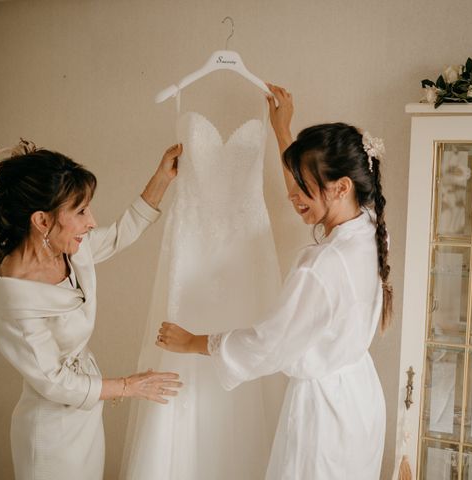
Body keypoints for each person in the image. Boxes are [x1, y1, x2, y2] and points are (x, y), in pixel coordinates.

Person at [156, 84, 392, 479]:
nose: (292, 197)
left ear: (341, 187)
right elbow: (309, 195)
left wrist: (192, 341)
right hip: (359, 400)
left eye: (303, 188)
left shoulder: (321, 267)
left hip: (325, 417)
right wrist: (284, 131)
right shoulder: (370, 227)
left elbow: (266, 344)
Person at [0, 139, 184, 480]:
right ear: (42, 221)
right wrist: (130, 386)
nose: (91, 222)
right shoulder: (15, 295)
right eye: (81, 212)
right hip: (50, 433)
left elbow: (121, 233)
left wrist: (162, 177)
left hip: (85, 419)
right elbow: (54, 381)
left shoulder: (66, 250)